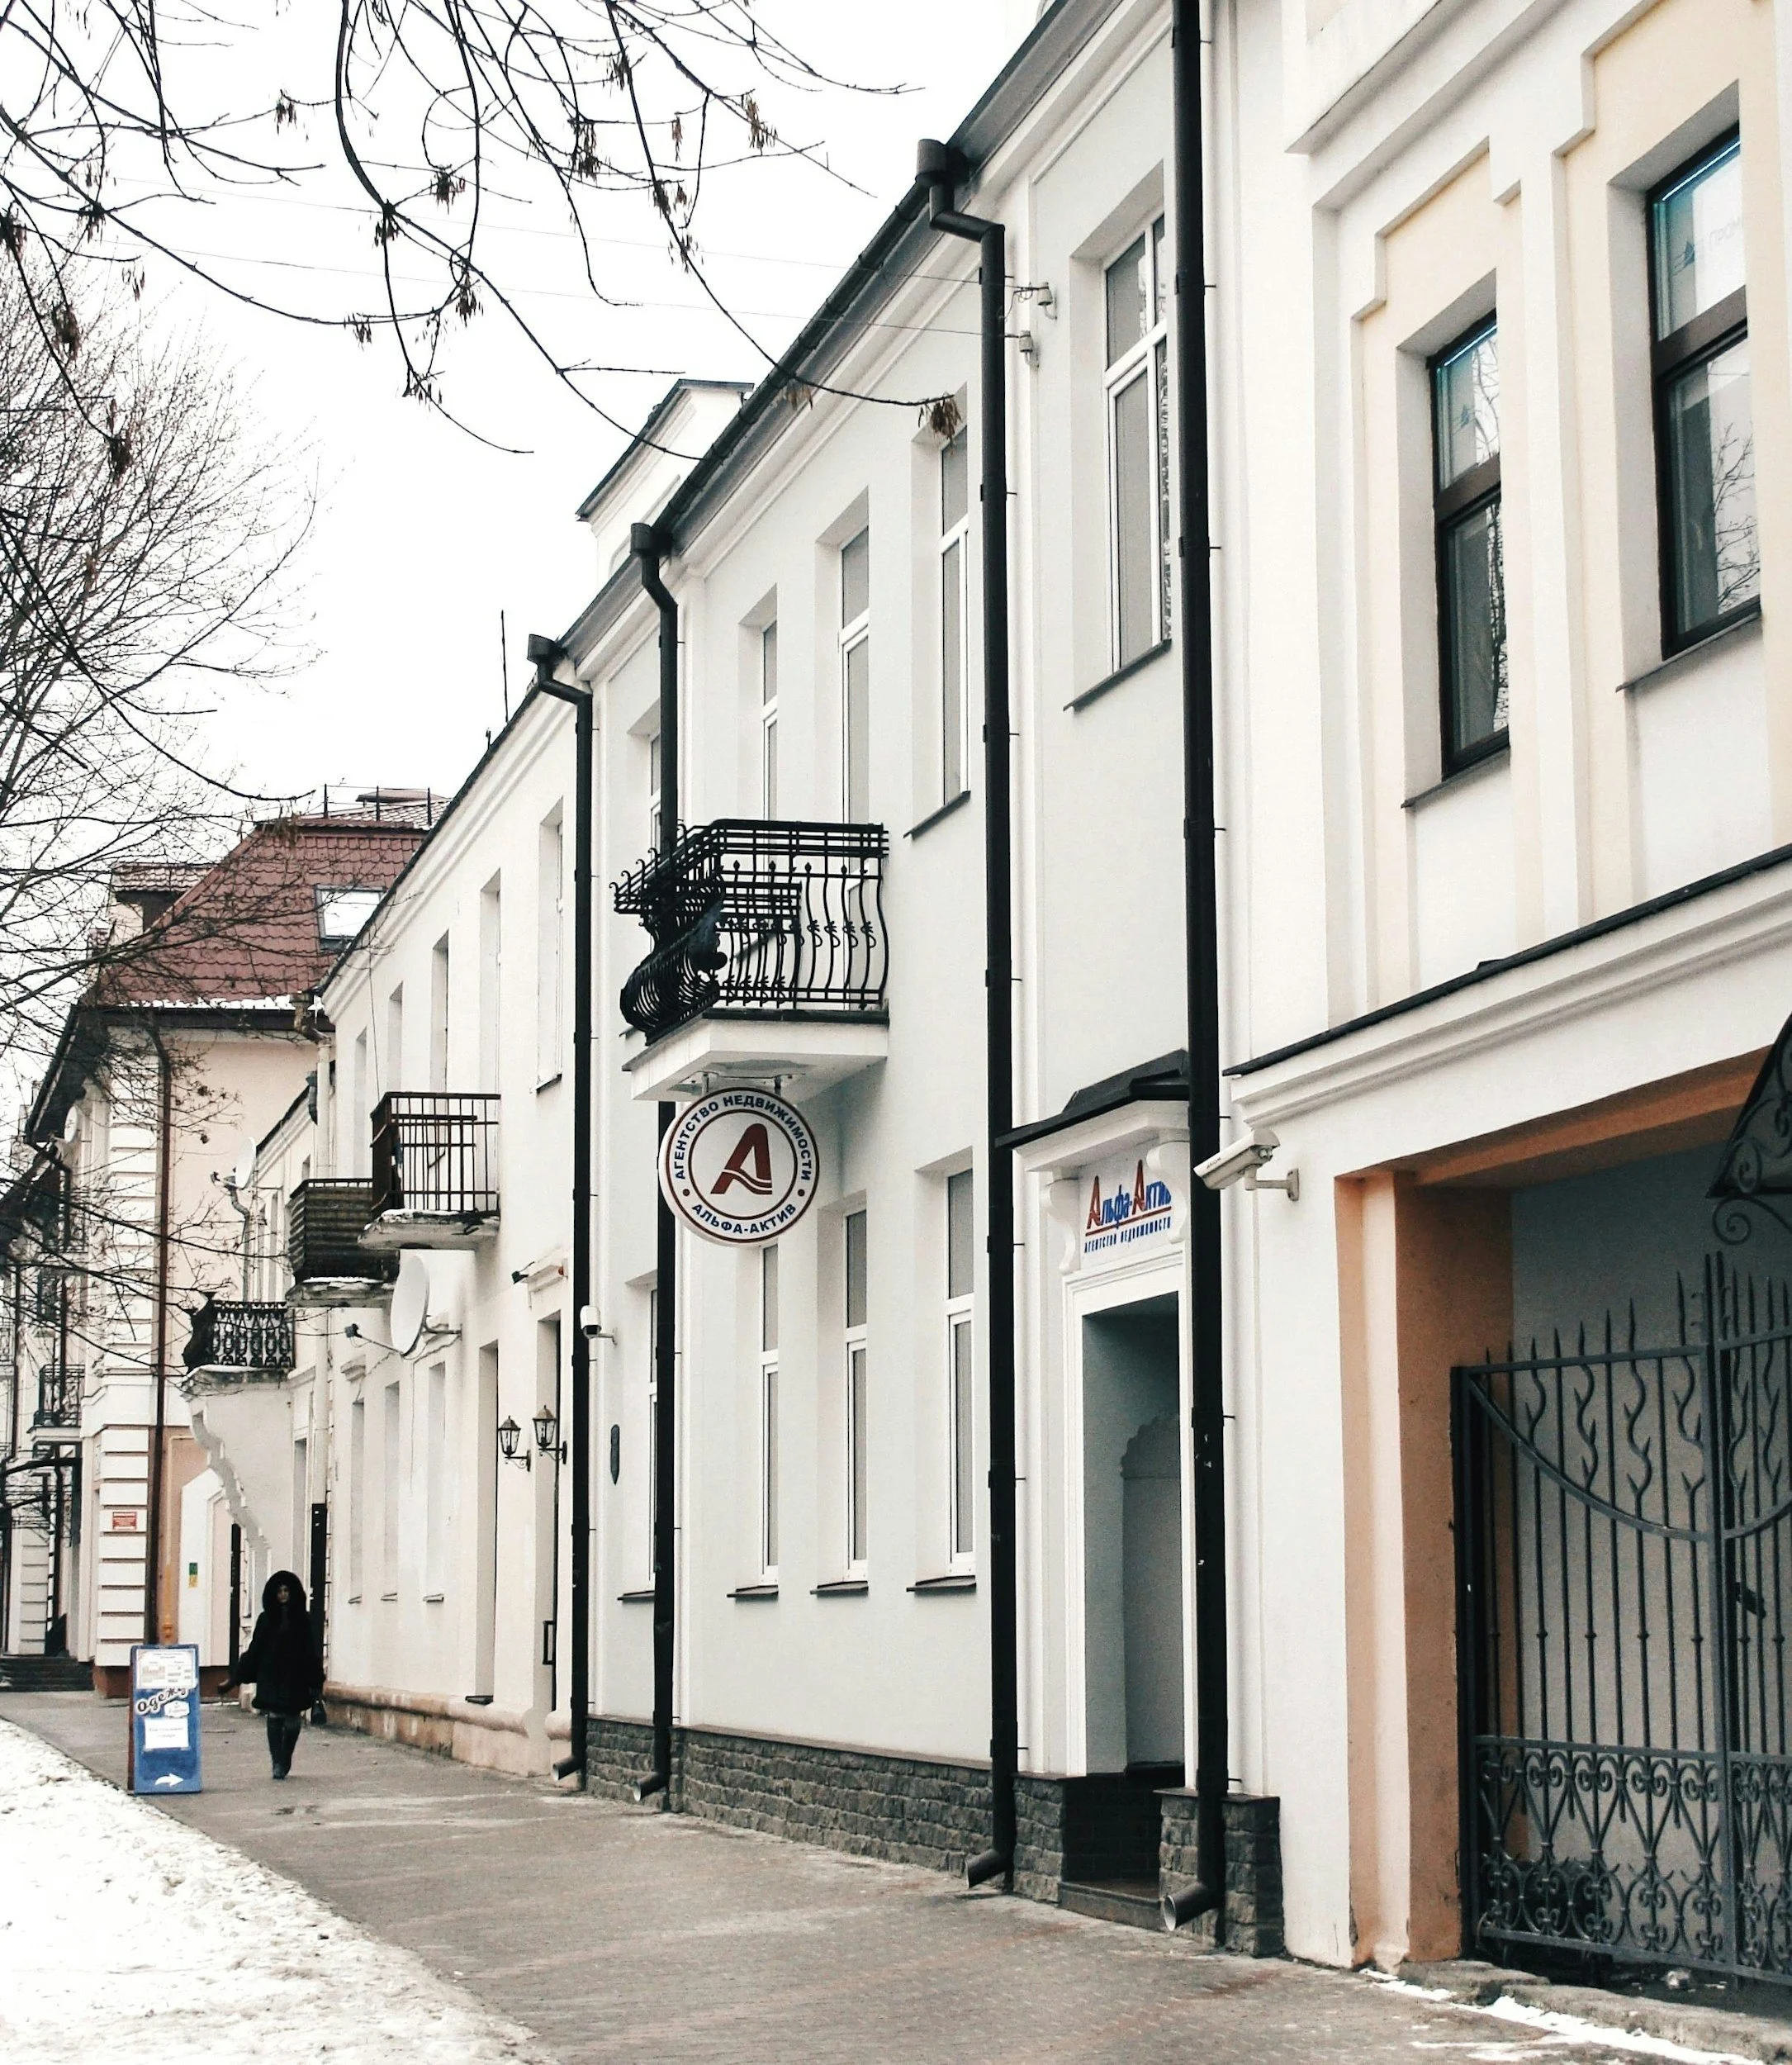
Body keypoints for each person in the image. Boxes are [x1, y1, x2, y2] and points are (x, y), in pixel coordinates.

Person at [224, 1570, 323, 1780]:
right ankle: (277, 1761)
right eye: (279, 1591)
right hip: (272, 1675)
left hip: (296, 1676)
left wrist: (316, 1681)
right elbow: (255, 1649)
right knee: (275, 1716)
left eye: (286, 1590)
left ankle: (286, 1755)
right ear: (273, 1594)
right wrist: (235, 1678)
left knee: (293, 1720)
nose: (283, 1595)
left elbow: (311, 1650)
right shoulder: (266, 1618)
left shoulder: (303, 1619)